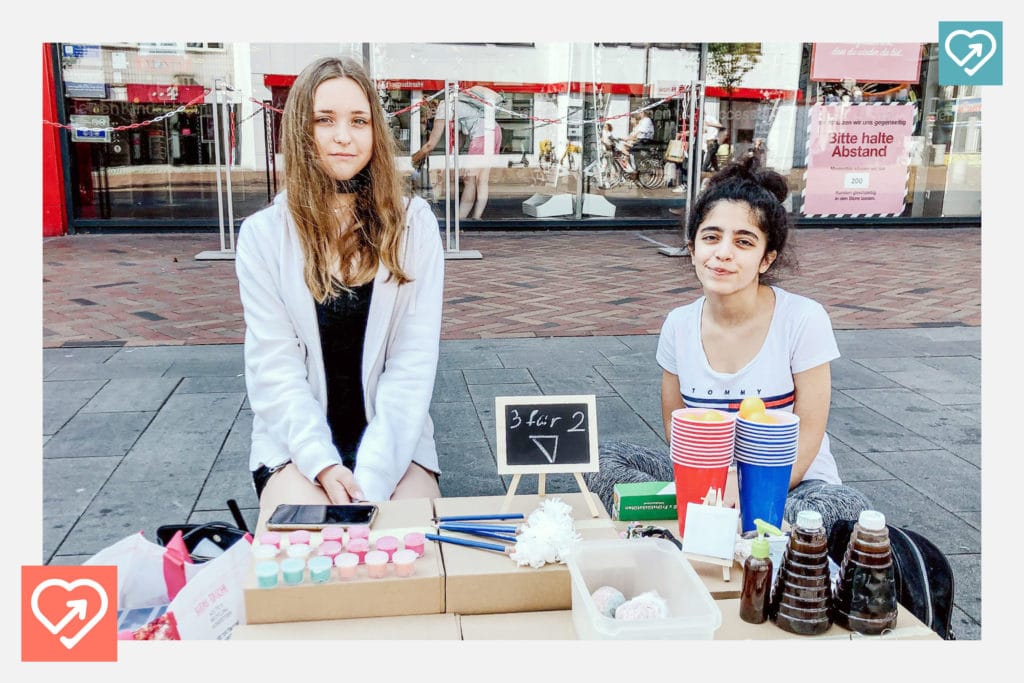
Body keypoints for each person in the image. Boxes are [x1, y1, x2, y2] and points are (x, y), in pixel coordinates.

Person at [585, 156, 870, 536]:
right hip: (707, 478)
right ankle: (737, 525)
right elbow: (678, 429)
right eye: (711, 237)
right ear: (692, 249)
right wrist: (710, 485)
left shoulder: (802, 319)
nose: (723, 253)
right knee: (601, 461)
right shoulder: (678, 324)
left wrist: (748, 489)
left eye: (743, 242)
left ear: (766, 258)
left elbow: (808, 438)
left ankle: (722, 523)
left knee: (847, 507)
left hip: (792, 485)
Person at [235, 56, 445, 529]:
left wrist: (370, 477)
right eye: (324, 120)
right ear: (299, 132)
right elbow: (274, 369)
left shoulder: (414, 226)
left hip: (395, 440)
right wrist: (323, 463)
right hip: (297, 447)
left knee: (409, 549)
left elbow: (413, 365)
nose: (344, 136)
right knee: (308, 550)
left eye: (358, 121)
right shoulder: (264, 235)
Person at [411, 85, 502, 219]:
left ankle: (461, 221)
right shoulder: (458, 104)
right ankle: (476, 219)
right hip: (495, 131)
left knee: (469, 181)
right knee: (482, 180)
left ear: (429, 109)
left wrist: (411, 160)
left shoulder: (443, 108)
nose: (425, 120)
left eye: (424, 118)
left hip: (482, 137)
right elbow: (461, 140)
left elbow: (430, 145)